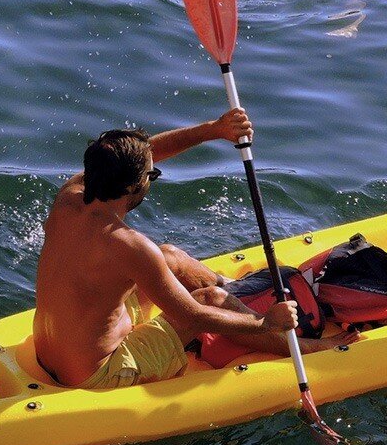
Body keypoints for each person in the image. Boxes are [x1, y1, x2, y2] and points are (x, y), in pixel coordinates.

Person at [33, 112, 353, 389]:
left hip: (49, 350)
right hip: (99, 372)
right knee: (211, 299)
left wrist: (215, 129)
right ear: (132, 187)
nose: (152, 175)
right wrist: (265, 323)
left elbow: (143, 154)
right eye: (151, 174)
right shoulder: (131, 247)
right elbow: (192, 314)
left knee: (171, 256)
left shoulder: (70, 197)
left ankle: (236, 290)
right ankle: (307, 346)